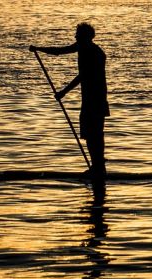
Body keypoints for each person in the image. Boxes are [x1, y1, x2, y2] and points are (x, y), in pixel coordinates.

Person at [29, 22, 109, 178]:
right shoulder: (82, 47)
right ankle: (97, 167)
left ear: (86, 36)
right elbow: (60, 51)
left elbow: (83, 76)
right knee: (89, 134)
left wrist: (63, 93)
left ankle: (99, 168)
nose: (75, 36)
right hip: (88, 100)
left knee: (95, 134)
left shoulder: (95, 53)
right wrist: (39, 49)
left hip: (96, 100)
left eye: (78, 34)